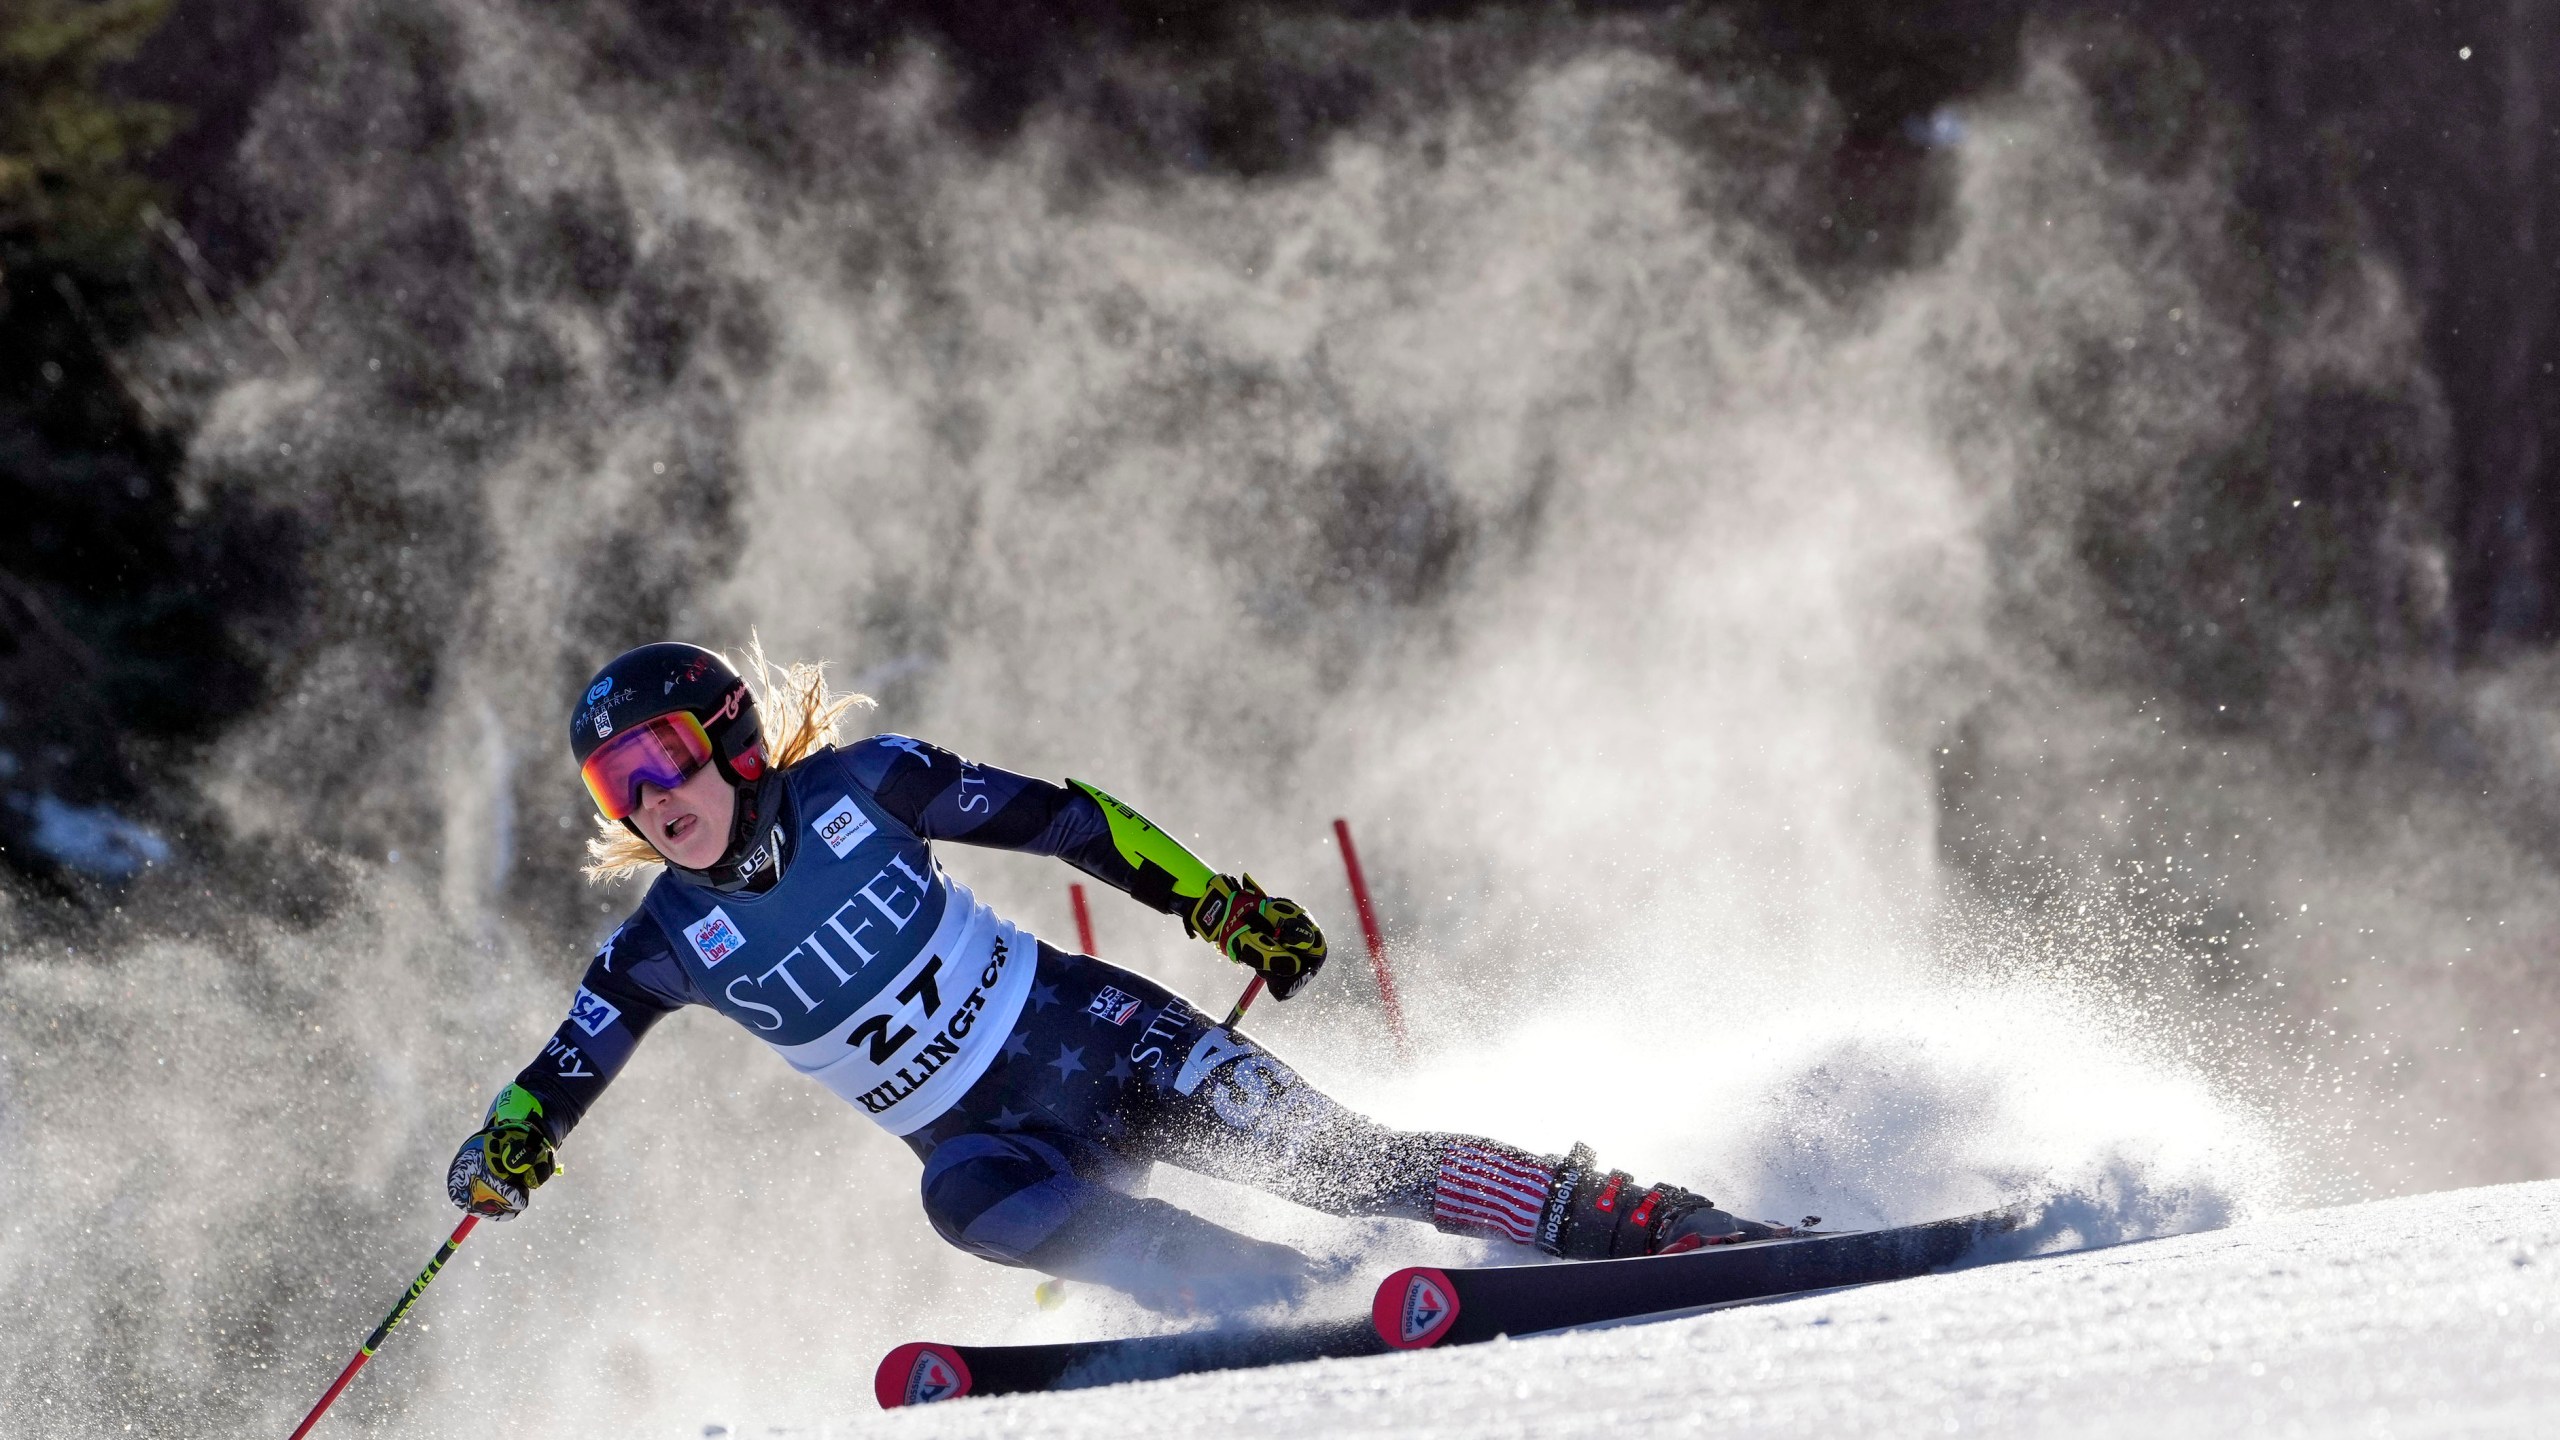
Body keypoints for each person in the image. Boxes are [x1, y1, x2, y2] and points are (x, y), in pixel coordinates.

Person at [447, 642, 1787, 1311]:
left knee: (1344, 1159)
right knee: (965, 1204)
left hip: (1105, 1043)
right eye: (619, 787)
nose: (649, 800)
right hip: (993, 1139)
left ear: (731, 740)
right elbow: (568, 1067)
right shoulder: (663, 945)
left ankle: (1625, 1214)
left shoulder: (866, 785)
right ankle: (1285, 1304)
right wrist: (508, 1147)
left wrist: (1217, 903)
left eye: (664, 758)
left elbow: (1068, 821)